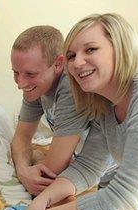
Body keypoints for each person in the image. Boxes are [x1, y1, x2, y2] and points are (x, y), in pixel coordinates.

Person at [3, 13, 138, 210]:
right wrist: (40, 202)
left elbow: (127, 195)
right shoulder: (104, 102)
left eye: (91, 49)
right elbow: (87, 167)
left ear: (120, 47)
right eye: (73, 55)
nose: (77, 63)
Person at [10, 25, 89, 196]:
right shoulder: (35, 88)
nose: (20, 84)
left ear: (58, 64)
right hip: (83, 167)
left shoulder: (70, 86)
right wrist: (23, 171)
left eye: (30, 74)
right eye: (16, 73)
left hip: (115, 175)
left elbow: (52, 169)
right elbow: (21, 137)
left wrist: (35, 161)